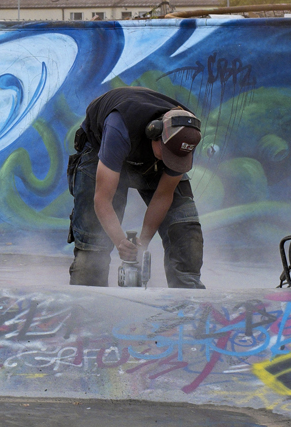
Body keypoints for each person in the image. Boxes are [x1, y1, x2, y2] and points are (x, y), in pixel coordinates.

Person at [66, 86, 205, 288]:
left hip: (148, 154)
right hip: (101, 150)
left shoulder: (183, 137)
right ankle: (87, 305)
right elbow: (102, 200)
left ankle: (187, 306)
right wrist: (120, 242)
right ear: (154, 133)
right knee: (93, 242)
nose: (171, 161)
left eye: (177, 159)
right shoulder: (119, 128)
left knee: (185, 232)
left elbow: (163, 198)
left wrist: (143, 242)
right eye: (167, 154)